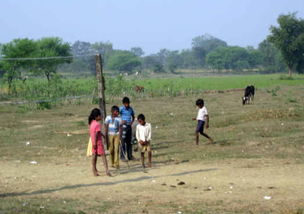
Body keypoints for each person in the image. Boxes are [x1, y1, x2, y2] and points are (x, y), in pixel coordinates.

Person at [88, 108, 111, 176]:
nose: (101, 117)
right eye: (100, 115)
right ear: (97, 116)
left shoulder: (91, 123)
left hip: (93, 142)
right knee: (103, 156)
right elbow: (96, 134)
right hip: (98, 142)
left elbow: (94, 133)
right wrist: (96, 142)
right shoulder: (97, 124)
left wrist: (102, 135)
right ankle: (107, 170)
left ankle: (94, 170)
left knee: (94, 156)